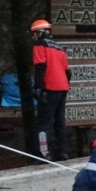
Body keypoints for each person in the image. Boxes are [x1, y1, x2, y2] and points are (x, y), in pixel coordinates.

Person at [30, 20, 71, 161]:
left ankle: (43, 153)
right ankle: (63, 152)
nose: (33, 37)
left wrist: (38, 87)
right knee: (59, 121)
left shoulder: (40, 44)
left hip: (49, 87)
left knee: (43, 122)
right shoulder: (59, 47)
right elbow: (68, 72)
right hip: (62, 88)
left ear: (40, 32)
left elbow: (40, 67)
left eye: (34, 34)